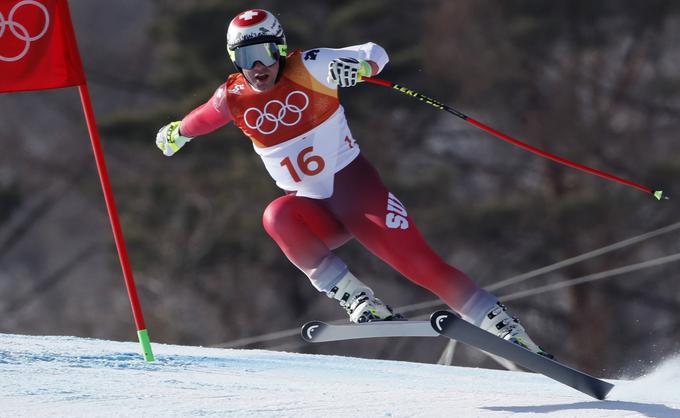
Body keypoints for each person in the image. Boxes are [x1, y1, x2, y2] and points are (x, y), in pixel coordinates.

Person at [156, 9, 550, 356]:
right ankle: (359, 300)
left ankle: (506, 328)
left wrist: (362, 68)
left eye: (265, 53)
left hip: (357, 194)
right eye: (246, 57)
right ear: (234, 60)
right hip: (313, 209)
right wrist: (178, 132)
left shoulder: (310, 66)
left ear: (281, 49)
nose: (258, 66)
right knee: (277, 215)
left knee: (421, 266)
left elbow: (374, 52)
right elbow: (204, 117)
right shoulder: (234, 95)